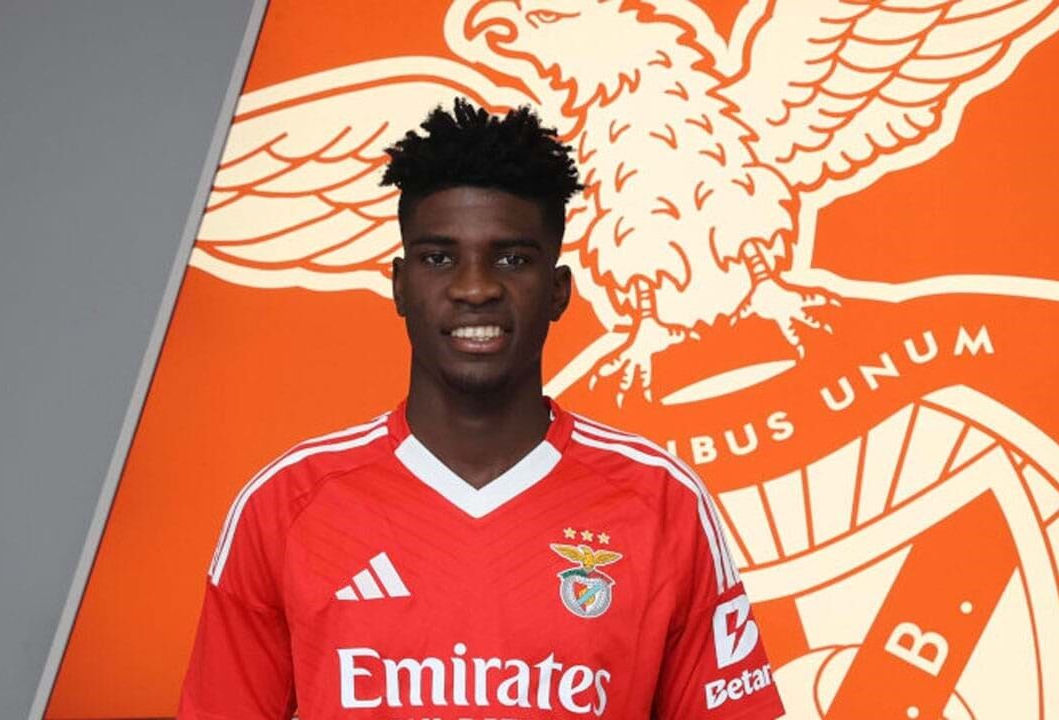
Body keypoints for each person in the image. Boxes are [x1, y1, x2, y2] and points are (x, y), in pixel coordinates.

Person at [178, 98, 784, 719]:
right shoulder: (289, 504)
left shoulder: (661, 502)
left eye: (512, 259)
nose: (475, 288)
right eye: (439, 258)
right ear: (399, 285)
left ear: (558, 291)